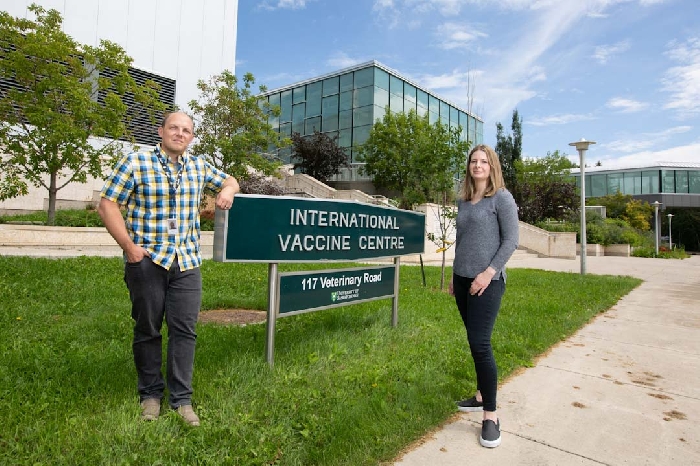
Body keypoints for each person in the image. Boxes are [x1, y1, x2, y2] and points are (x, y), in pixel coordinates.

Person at [98, 111, 240, 426]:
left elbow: (230, 180)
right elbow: (108, 204)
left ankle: (182, 400)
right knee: (148, 328)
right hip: (147, 261)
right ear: (160, 131)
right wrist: (130, 249)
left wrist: (227, 191)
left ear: (191, 137)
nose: (179, 133)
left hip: (187, 262)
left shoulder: (199, 166)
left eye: (186, 130)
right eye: (173, 128)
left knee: (184, 330)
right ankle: (150, 395)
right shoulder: (136, 162)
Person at [448, 144, 519, 448]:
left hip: (488, 282)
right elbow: (461, 240)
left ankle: (490, 416)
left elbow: (511, 241)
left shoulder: (501, 198)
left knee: (480, 343)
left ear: (492, 167)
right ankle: (480, 396)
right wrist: (455, 275)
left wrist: (488, 273)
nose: (477, 165)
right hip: (462, 281)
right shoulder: (464, 200)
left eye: (483, 161)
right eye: (473, 161)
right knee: (473, 341)